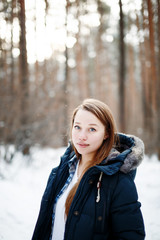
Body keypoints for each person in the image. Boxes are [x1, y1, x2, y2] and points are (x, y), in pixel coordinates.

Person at [32, 98, 145, 240]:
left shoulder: (118, 181)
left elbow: (131, 236)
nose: (82, 136)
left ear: (106, 133)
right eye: (77, 127)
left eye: (92, 129)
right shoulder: (61, 171)